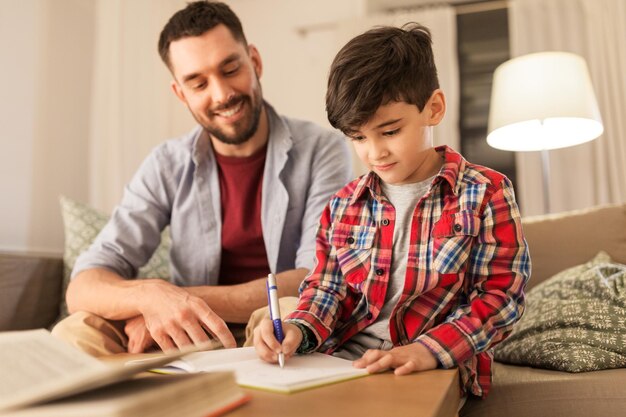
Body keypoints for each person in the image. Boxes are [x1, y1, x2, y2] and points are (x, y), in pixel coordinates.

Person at [53, 1, 352, 355]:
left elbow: (312, 278)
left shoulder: (323, 149)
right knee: (77, 331)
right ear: (181, 93)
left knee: (289, 312)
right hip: (184, 331)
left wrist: (178, 300)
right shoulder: (166, 163)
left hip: (273, 325)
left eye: (230, 69)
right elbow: (85, 285)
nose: (221, 94)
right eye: (198, 83)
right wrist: (150, 296)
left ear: (254, 62)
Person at [254, 23, 530, 399]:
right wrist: (298, 328)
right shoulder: (342, 206)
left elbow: (500, 297)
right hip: (341, 363)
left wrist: (428, 351)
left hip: (434, 364)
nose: (374, 152)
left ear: (433, 109)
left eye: (389, 131)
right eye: (357, 137)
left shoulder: (486, 193)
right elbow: (326, 288)